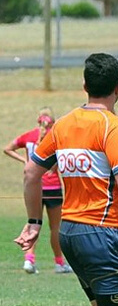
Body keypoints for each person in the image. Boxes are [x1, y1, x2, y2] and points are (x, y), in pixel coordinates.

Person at [14, 53, 118, 306]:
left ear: (84, 85)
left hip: (69, 233)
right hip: (102, 234)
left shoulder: (63, 125)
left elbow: (30, 172)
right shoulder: (112, 126)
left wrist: (34, 222)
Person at [4, 107, 71, 274]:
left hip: (34, 187)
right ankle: (59, 262)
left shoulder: (29, 136)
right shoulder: (54, 138)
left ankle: (29, 260)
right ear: (53, 121)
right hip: (53, 187)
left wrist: (25, 161)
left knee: (33, 223)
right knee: (55, 227)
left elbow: (8, 148)